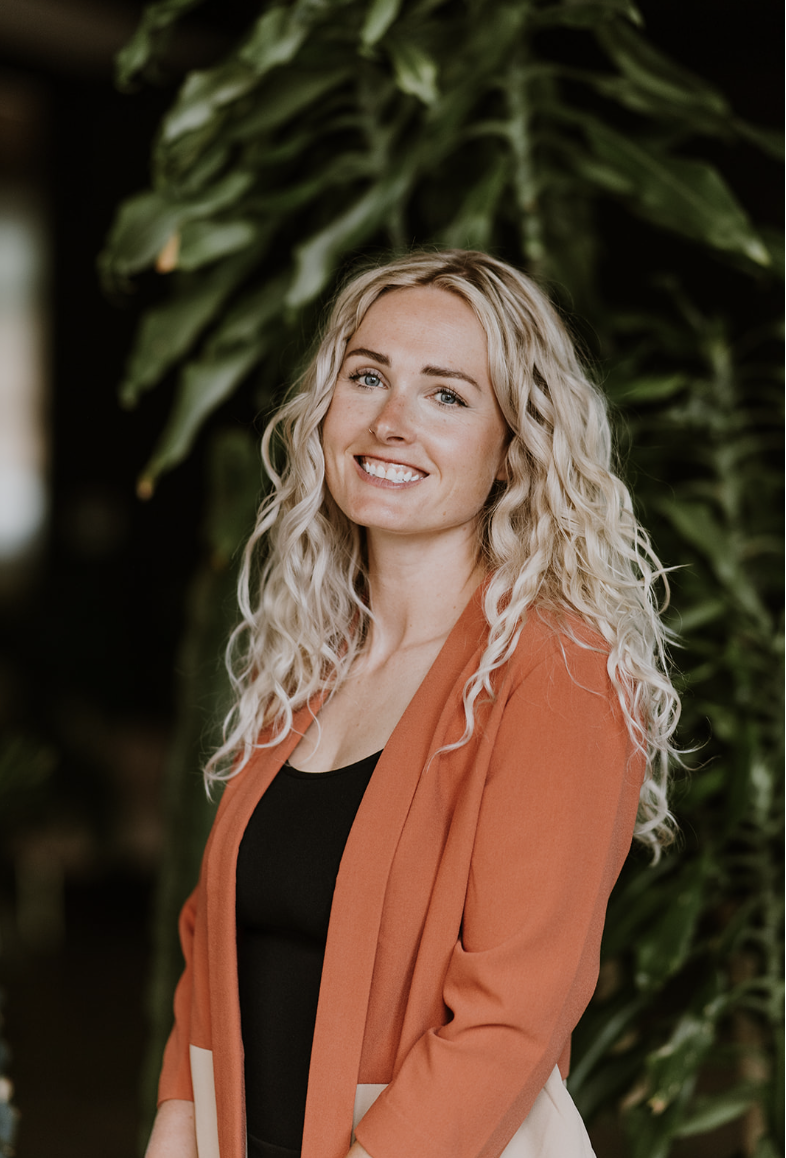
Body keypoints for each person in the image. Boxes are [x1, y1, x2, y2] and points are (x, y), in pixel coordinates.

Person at [145, 249, 679, 1158]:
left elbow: (511, 1014)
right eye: (367, 377)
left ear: (513, 449)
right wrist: (176, 1125)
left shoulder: (558, 672)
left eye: (446, 395)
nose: (391, 423)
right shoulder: (310, 660)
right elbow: (213, 937)